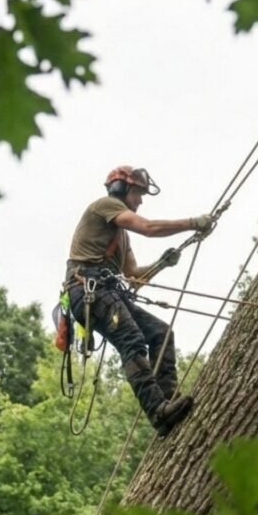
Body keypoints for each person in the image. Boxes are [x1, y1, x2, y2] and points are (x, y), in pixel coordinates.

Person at [64, 166, 214, 436]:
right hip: (88, 289)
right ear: (121, 189)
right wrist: (193, 222)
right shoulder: (105, 206)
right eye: (138, 193)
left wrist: (162, 263)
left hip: (106, 292)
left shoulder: (120, 235)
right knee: (132, 340)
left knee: (161, 333)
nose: (141, 200)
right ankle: (157, 411)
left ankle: (167, 399)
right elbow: (148, 227)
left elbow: (132, 274)